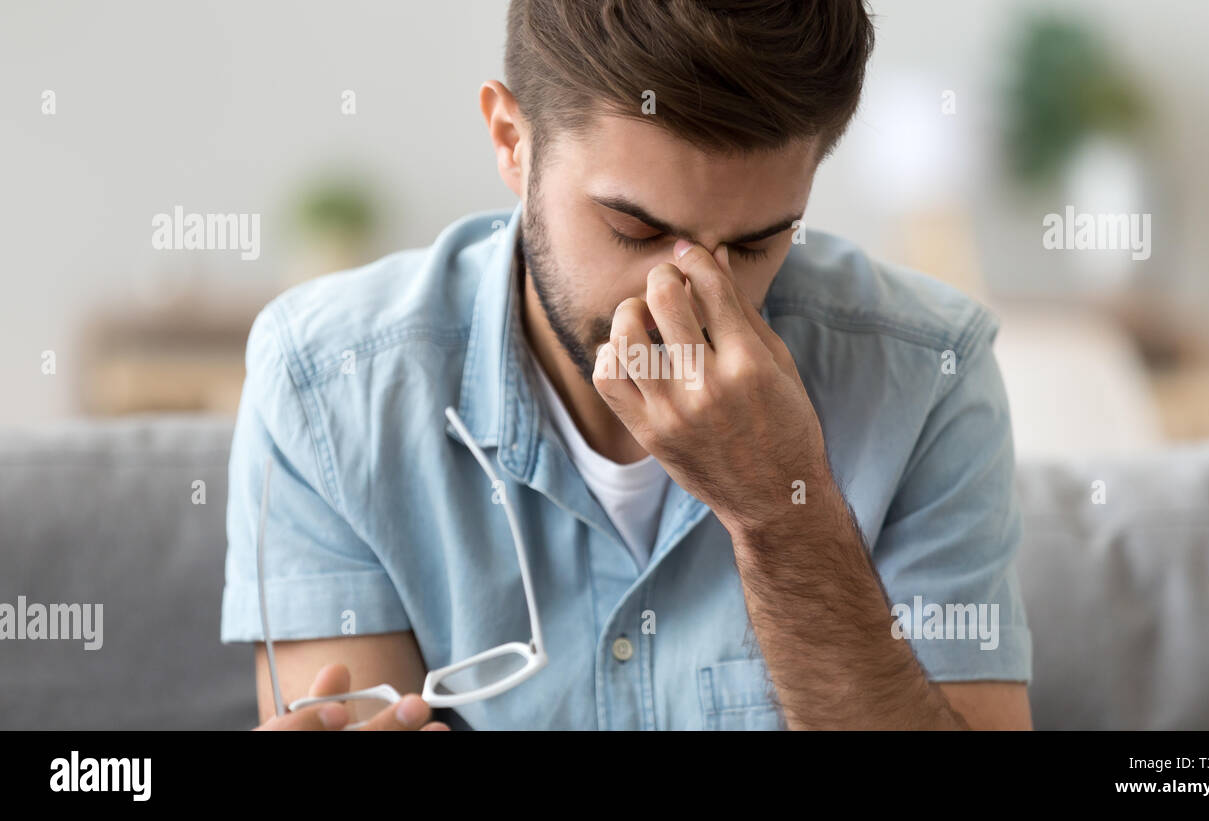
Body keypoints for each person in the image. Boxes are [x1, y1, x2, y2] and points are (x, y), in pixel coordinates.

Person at [222, 0, 1033, 730]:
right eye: (634, 228)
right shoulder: (325, 387)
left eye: (754, 243)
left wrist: (783, 517)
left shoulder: (929, 376)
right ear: (512, 140)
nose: (684, 292)